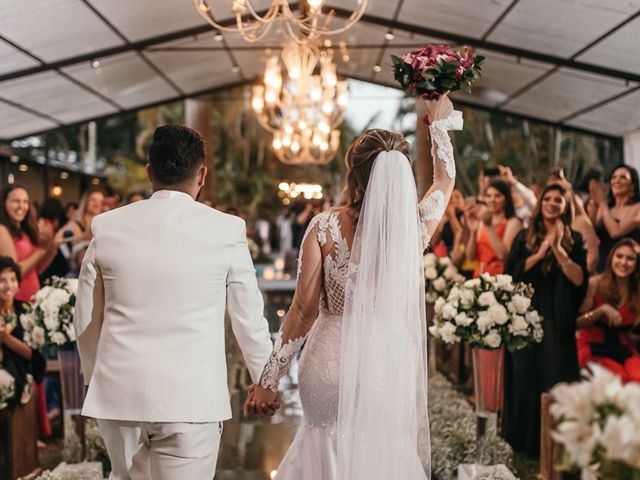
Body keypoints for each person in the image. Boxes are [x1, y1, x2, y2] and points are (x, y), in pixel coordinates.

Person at [245, 95, 460, 479]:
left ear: (354, 175)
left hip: (330, 367)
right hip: (385, 369)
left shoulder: (324, 227)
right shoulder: (413, 230)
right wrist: (439, 119)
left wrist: (267, 381)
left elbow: (302, 311)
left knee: (320, 445)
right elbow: (445, 179)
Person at [73, 125, 274, 479]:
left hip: (118, 395)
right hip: (191, 398)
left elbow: (86, 317)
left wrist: (95, 375)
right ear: (202, 175)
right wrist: (265, 379)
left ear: (150, 172)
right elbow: (249, 319)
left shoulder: (107, 226)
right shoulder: (227, 229)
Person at [503, 184, 587, 456]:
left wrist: (560, 251)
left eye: (558, 200)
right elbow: (512, 274)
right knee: (526, 373)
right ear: (540, 203)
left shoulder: (574, 238)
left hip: (557, 317)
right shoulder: (525, 236)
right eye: (548, 199)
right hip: (526, 314)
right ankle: (524, 444)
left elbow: (579, 279)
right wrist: (540, 253)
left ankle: (555, 449)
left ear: (565, 206)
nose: (552, 203)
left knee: (556, 374)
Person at [576, 238, 640, 383]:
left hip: (625, 350)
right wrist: (601, 311)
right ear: (611, 258)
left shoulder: (637, 291)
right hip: (595, 348)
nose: (623, 262)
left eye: (630, 259)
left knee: (637, 379)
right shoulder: (595, 283)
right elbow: (578, 322)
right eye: (619, 256)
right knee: (618, 379)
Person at [0, 185, 64, 302]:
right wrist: (42, 249)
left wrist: (52, 247)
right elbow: (14, 272)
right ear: (4, 203)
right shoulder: (2, 230)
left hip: (32, 298)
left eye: (25, 201)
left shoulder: (23, 231)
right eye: (16, 201)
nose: (21, 206)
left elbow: (36, 270)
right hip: (16, 300)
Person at [0, 256, 46, 408]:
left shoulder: (26, 311)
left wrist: (5, 338)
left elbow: (33, 354)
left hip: (20, 369)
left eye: (12, 280)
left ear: (19, 284)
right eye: (2, 280)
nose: (8, 286)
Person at [466, 179, 523, 277]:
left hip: (500, 278)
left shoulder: (513, 222)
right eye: (489, 196)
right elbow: (470, 257)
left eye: (497, 196)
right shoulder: (482, 222)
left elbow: (503, 255)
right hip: (479, 277)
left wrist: (488, 226)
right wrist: (473, 231)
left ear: (506, 199)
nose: (492, 200)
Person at [590, 165, 640, 272]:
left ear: (633, 186)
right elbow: (589, 234)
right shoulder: (605, 209)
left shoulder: (637, 208)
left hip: (625, 268)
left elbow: (615, 232)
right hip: (600, 268)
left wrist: (602, 203)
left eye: (623, 177)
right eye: (614, 177)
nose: (617, 180)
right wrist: (594, 202)